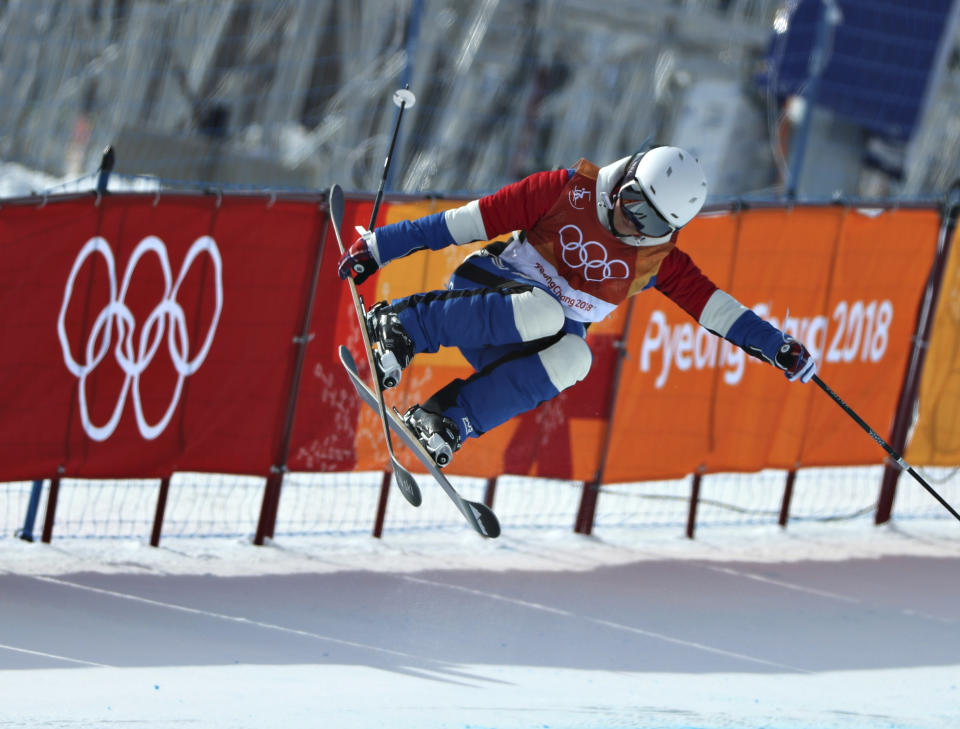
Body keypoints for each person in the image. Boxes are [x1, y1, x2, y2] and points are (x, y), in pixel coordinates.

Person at [338, 146, 817, 467]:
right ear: (625, 177)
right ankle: (403, 326)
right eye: (632, 201)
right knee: (543, 312)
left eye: (649, 221)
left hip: (520, 341)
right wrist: (378, 247)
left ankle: (449, 420)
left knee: (577, 358)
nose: (632, 220)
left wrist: (778, 347)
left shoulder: (656, 259)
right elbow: (462, 222)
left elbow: (718, 309)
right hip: (487, 290)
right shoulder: (567, 191)